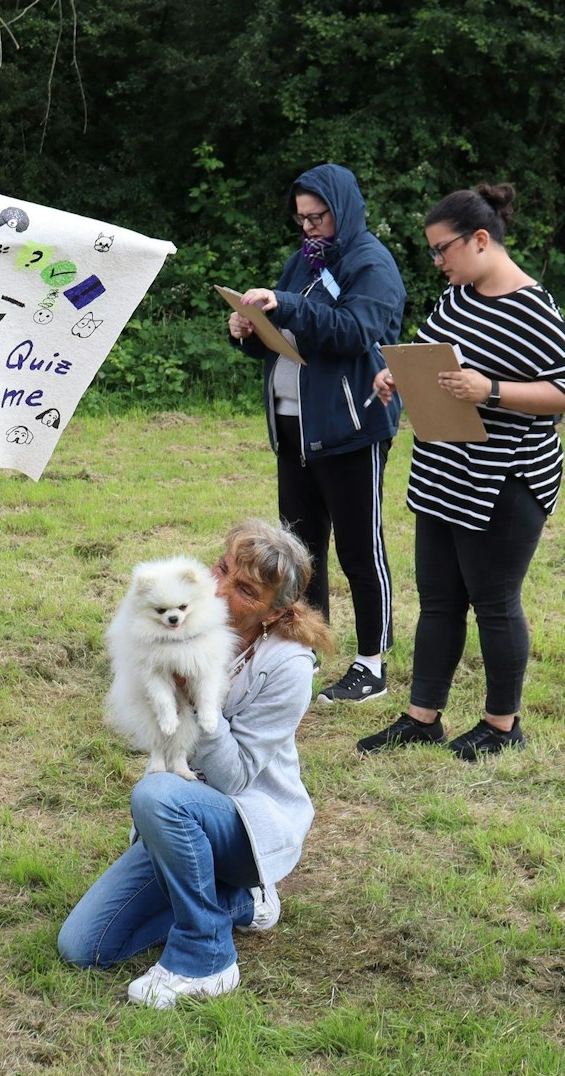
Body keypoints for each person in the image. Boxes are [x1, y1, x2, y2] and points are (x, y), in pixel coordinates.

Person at [58, 519, 334, 1007]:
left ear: (275, 612)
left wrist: (195, 700)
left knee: (156, 794)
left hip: (246, 821)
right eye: (222, 569)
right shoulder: (184, 620)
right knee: (84, 945)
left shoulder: (287, 665)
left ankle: (206, 955)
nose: (220, 589)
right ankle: (236, 900)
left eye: (246, 590)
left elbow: (235, 777)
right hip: (180, 820)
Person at [356, 184, 565, 761]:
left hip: (505, 480)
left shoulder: (535, 309)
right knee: (438, 599)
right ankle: (423, 718)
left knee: (495, 601)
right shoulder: (456, 297)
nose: (437, 262)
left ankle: (502, 726)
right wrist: (396, 376)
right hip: (444, 470)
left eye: (442, 249)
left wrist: (493, 391)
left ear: (480, 240)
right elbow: (430, 355)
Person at [228, 164, 405, 705]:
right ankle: (302, 655)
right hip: (294, 432)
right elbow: (285, 334)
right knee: (299, 554)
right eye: (301, 218)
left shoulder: (370, 263)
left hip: (349, 428)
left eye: (317, 216)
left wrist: (287, 305)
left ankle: (371, 666)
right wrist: (247, 331)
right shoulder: (302, 262)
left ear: (342, 208)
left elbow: (356, 331)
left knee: (359, 549)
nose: (307, 227)